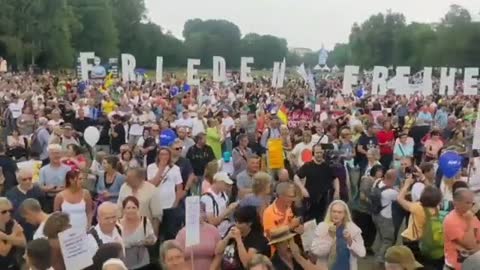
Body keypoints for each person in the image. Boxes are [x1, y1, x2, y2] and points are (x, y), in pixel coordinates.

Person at [397, 179, 444, 269]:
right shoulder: (437, 208)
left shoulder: (417, 208)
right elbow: (434, 192)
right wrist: (424, 179)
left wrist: (406, 185)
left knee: (410, 265)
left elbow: (399, 198)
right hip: (424, 241)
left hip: (411, 239)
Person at [311, 200, 366, 270]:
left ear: (344, 214)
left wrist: (350, 241)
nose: (336, 214)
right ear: (330, 212)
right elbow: (316, 251)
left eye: (339, 212)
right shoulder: (322, 227)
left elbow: (362, 253)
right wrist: (330, 238)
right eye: (334, 211)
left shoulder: (352, 229)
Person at [294, 144, 340, 222]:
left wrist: (337, 191)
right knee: (309, 222)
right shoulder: (308, 166)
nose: (319, 155)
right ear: (313, 153)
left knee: (323, 220)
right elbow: (296, 177)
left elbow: (335, 179)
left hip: (325, 200)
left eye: (320, 152)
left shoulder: (327, 166)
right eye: (317, 153)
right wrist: (302, 189)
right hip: (310, 200)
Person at [148, 147, 184, 239]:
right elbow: (152, 185)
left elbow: (179, 187)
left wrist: (176, 203)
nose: (164, 156)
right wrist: (160, 169)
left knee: (170, 233)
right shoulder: (151, 167)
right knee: (156, 233)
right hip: (156, 205)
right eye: (162, 154)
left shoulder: (175, 168)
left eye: (166, 154)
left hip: (170, 205)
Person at [176, 202, 221, 270]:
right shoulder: (182, 233)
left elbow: (219, 254)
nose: (197, 214)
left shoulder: (214, 231)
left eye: (200, 211)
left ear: (205, 213)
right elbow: (177, 256)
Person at [444, 188, 480, 270]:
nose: (471, 206)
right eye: (467, 203)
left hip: (473, 259)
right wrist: (470, 221)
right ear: (456, 203)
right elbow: (469, 245)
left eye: (472, 203)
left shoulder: (472, 217)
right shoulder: (450, 220)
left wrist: (476, 248)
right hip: (457, 264)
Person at [5, 168, 44, 240]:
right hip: (22, 229)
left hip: (38, 227)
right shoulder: (10, 195)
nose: (28, 181)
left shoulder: (37, 190)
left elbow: (43, 207)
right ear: (18, 180)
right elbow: (10, 214)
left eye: (30, 178)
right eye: (24, 179)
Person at [120, 196, 156, 270]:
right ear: (124, 209)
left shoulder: (145, 221)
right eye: (128, 208)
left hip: (142, 256)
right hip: (124, 258)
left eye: (134, 207)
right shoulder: (117, 224)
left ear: (138, 208)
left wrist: (148, 240)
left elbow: (152, 239)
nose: (131, 210)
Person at [372, 169, 399, 265]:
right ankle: (380, 258)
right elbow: (400, 197)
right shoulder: (390, 192)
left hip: (375, 214)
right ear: (393, 178)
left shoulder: (377, 182)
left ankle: (375, 250)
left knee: (379, 234)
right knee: (388, 239)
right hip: (385, 217)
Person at [201, 172, 237, 237]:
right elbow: (212, 222)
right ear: (218, 182)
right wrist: (228, 210)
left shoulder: (224, 195)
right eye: (225, 184)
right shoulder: (207, 198)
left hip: (225, 230)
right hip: (214, 234)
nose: (227, 186)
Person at [38, 144, 71, 213]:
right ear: (49, 155)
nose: (56, 155)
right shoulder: (43, 170)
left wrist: (63, 189)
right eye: (53, 153)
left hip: (65, 199)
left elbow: (71, 185)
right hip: (49, 200)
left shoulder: (67, 169)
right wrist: (49, 189)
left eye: (58, 153)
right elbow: (41, 186)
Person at [0, 197, 26, 270]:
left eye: (10, 211)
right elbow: (4, 251)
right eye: (4, 211)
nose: (8, 213)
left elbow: (23, 242)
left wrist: (5, 238)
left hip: (13, 263)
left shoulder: (11, 223)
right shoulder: (14, 227)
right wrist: (14, 233)